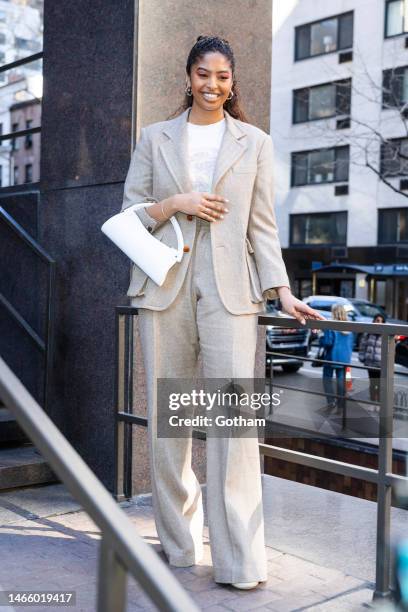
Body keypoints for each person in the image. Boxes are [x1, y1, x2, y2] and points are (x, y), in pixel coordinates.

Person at [120, 35, 323, 590]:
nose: (213, 85)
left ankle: (238, 561)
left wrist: (281, 291)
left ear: (233, 83)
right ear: (188, 77)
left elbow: (262, 226)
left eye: (223, 77)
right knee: (171, 428)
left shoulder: (254, 142)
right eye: (203, 74)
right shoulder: (154, 137)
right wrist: (175, 204)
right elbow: (130, 213)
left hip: (233, 292)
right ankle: (181, 546)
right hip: (165, 287)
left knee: (234, 428)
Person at [320, 304, 354, 414]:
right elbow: (351, 343)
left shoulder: (331, 325)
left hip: (331, 357)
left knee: (327, 380)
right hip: (345, 358)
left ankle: (331, 403)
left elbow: (327, 343)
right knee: (341, 382)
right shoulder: (350, 326)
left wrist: (321, 336)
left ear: (334, 313)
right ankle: (340, 406)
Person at [358, 314, 385, 403]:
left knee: (380, 384)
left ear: (383, 323)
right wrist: (362, 357)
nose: (378, 322)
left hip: (381, 364)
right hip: (370, 362)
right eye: (376, 320)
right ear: (373, 321)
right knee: (373, 383)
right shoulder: (368, 332)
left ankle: (380, 403)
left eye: (380, 321)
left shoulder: (386, 333)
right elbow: (362, 345)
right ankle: (373, 401)